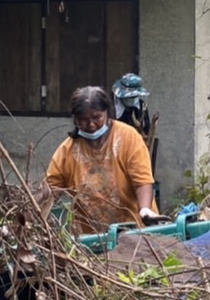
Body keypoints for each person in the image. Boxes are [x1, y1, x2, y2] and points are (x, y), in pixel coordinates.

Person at [45, 86, 159, 236]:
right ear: (75, 119)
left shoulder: (128, 137)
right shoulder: (67, 150)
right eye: (84, 120)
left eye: (97, 117)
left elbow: (142, 181)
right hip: (91, 240)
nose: (91, 125)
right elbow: (50, 190)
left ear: (107, 113)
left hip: (134, 234)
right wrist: (25, 220)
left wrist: (145, 209)